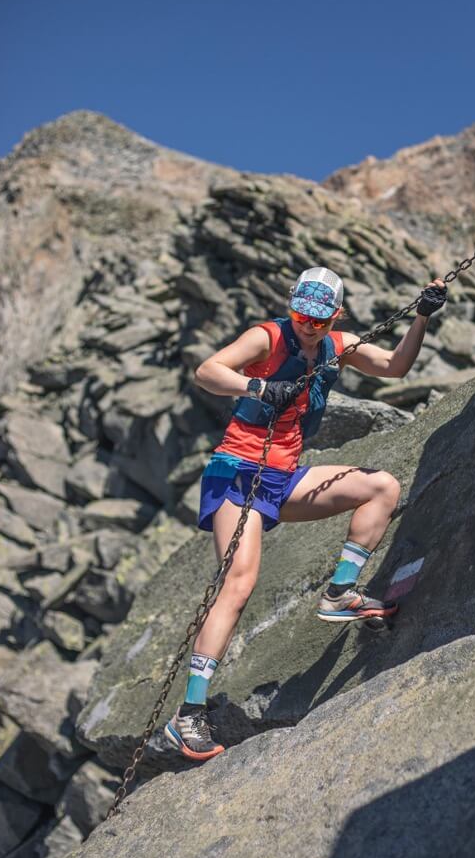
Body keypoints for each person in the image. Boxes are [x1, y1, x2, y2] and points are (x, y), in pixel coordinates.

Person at [165, 266, 447, 760]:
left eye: (319, 319)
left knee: (381, 486)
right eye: (301, 315)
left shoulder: (338, 345)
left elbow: (395, 367)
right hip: (237, 473)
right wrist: (255, 388)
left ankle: (339, 592)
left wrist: (420, 318)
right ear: (291, 304)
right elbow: (208, 371)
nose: (308, 325)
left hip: (283, 477)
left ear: (334, 315)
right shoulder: (267, 336)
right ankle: (188, 715)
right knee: (240, 582)